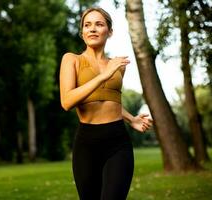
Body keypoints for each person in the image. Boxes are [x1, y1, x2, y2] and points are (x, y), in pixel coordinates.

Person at [59, 7, 153, 200]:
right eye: (87, 25)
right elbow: (67, 101)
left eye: (99, 24)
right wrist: (104, 75)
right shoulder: (71, 60)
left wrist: (131, 119)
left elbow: (109, 100)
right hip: (86, 143)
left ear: (109, 32)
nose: (92, 29)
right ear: (82, 32)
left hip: (117, 141)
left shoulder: (116, 66)